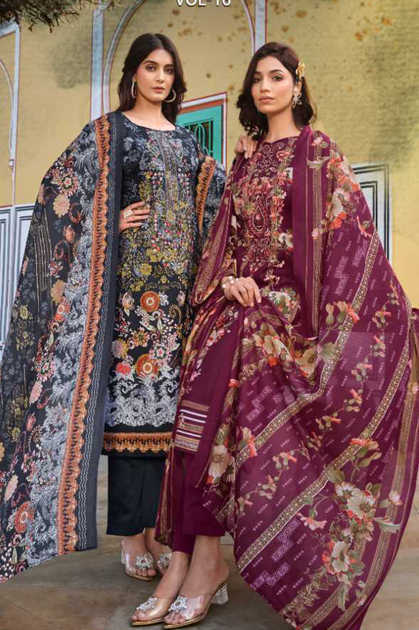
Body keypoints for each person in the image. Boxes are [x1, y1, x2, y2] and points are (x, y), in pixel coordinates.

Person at [132, 42, 419, 629]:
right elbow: (228, 241)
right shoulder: (245, 159)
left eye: (277, 77)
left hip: (289, 315)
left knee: (224, 389)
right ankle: (185, 560)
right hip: (236, 302)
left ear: (297, 85)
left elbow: (351, 244)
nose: (265, 87)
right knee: (197, 406)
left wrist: (287, 301)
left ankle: (201, 565)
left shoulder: (319, 154)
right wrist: (231, 279)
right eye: (257, 79)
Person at [0, 33, 225, 582]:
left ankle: (157, 528)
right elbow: (59, 192)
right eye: (151, 67)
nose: (160, 78)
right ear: (132, 74)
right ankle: (131, 536)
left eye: (168, 70)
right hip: (126, 300)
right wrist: (109, 220)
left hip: (176, 303)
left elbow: (219, 200)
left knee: (166, 425)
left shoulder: (188, 144)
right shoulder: (108, 133)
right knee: (130, 423)